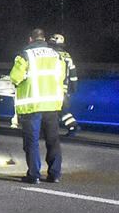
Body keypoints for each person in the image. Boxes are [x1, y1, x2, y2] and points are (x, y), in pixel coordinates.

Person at [9, 28, 67, 183]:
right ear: (44, 39)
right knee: (53, 140)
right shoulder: (56, 55)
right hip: (51, 104)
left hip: (32, 105)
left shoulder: (26, 55)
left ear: (30, 39)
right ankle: (55, 174)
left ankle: (34, 175)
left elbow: (15, 77)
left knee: (32, 142)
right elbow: (61, 76)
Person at [49, 33, 80, 135]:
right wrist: (74, 87)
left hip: (53, 87)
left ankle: (73, 126)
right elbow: (73, 73)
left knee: (56, 109)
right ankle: (70, 127)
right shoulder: (67, 56)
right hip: (64, 89)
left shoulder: (51, 54)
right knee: (60, 109)